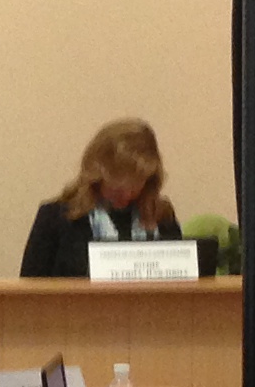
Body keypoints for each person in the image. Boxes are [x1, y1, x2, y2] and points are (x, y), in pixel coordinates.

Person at [19, 117, 198, 277]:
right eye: (118, 186)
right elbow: (29, 293)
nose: (127, 194)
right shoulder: (55, 217)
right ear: (95, 175)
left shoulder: (162, 216)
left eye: (136, 185)